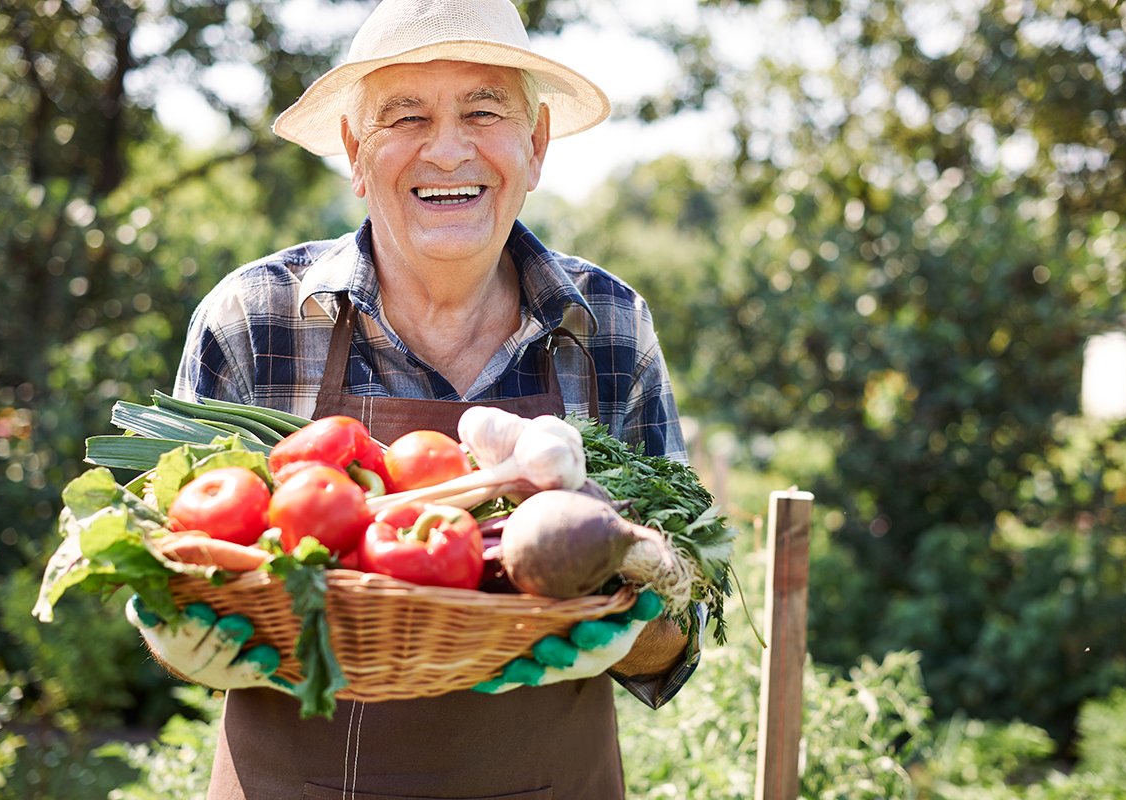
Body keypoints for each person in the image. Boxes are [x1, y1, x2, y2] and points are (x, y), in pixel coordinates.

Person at [131, 0, 702, 797]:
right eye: (405, 116)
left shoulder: (609, 325)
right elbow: (169, 571)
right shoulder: (254, 318)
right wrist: (178, 632)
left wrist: (629, 621)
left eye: (483, 109)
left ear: (535, 147)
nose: (446, 149)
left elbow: (682, 628)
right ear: (355, 152)